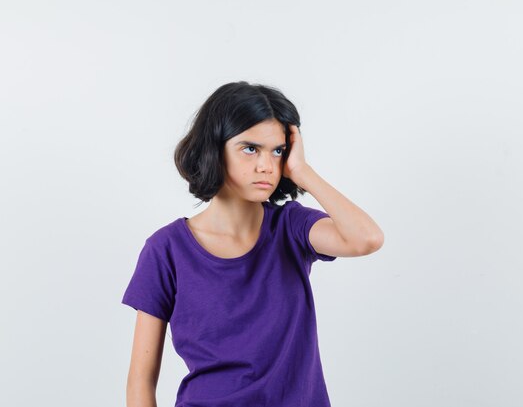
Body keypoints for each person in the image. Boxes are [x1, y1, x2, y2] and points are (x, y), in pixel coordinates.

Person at [121, 81, 384, 407]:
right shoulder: (166, 250)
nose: (266, 165)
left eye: (277, 151)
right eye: (250, 149)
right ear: (214, 149)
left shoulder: (292, 227)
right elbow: (140, 384)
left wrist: (302, 172)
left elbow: (367, 239)